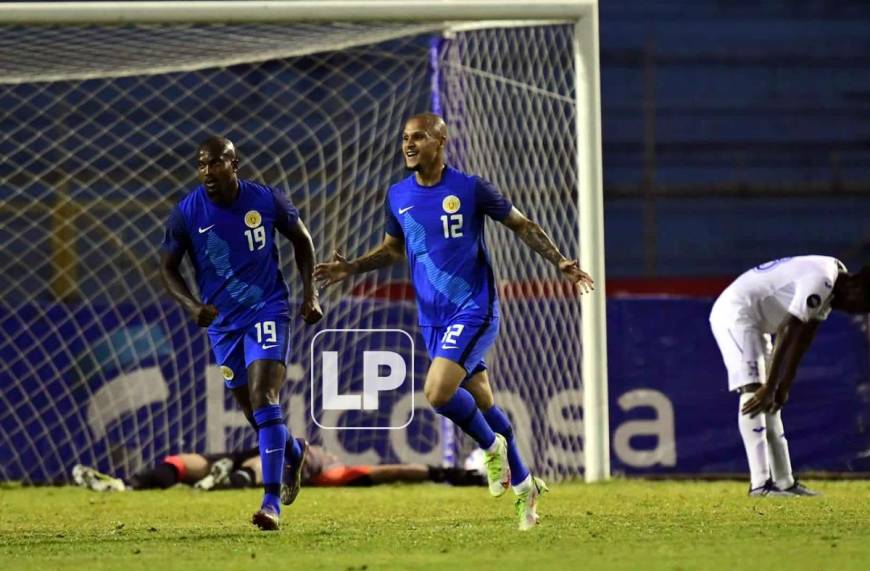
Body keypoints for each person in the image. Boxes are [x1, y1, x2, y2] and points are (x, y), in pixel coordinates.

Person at [313, 113, 594, 530]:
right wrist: (351, 267)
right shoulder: (398, 194)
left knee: (437, 393)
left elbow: (522, 225)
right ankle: (524, 487)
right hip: (433, 320)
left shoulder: (470, 188)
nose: (409, 144)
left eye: (419, 137)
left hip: (473, 309)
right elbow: (393, 250)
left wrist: (560, 261)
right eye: (405, 138)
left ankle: (489, 447)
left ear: (440, 141)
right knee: (483, 401)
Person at [160, 136, 323, 530]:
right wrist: (193, 307)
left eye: (216, 163)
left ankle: (271, 504)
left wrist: (310, 294)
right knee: (253, 411)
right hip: (223, 324)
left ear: (234, 164)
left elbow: (302, 240)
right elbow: (167, 268)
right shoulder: (186, 213)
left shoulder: (266, 200)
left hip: (267, 308)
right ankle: (294, 450)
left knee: (264, 397)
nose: (208, 172)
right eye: (201, 165)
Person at [709, 256, 869, 496]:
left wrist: (783, 385)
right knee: (754, 390)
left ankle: (784, 482)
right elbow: (787, 328)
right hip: (736, 313)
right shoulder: (823, 280)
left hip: (756, 321)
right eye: (861, 304)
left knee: (770, 401)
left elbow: (804, 336)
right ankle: (761, 485)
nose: (855, 311)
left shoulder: (834, 282)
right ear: (855, 286)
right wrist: (771, 385)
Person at [71, 445, 486, 491]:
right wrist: (440, 472)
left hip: (266, 456)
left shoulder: (328, 474)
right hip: (258, 451)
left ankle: (131, 485)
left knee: (186, 464)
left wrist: (443, 474)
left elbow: (391, 471)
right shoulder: (332, 469)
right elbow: (394, 470)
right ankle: (127, 485)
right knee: (178, 463)